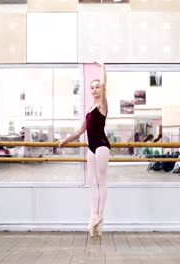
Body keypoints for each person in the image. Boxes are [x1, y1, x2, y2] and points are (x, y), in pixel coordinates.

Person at [58, 61, 110, 238]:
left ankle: (100, 217)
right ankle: (93, 217)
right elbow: (81, 130)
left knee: (101, 181)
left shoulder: (102, 104)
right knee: (92, 183)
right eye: (92, 87)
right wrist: (65, 141)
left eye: (97, 87)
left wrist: (103, 67)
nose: (95, 89)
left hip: (102, 146)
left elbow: (104, 84)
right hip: (91, 148)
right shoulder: (89, 109)